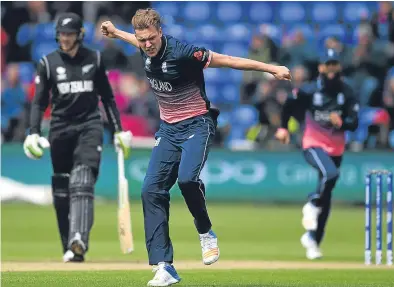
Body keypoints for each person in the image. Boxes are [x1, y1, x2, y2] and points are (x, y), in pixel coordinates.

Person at [101, 8, 291, 286]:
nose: (146, 44)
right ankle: (164, 267)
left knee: (187, 179)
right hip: (168, 130)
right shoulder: (144, 47)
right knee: (150, 190)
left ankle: (205, 231)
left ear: (160, 33)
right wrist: (117, 33)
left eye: (151, 38)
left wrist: (271, 69)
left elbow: (227, 60)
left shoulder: (183, 52)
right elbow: (136, 41)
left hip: (197, 124)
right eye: (142, 40)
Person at [23, 12, 133, 263]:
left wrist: (118, 130)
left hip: (89, 127)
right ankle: (69, 246)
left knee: (82, 180)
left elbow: (107, 97)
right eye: (62, 34)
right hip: (60, 130)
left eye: (69, 34)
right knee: (61, 190)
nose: (65, 38)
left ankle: (79, 239)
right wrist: (33, 133)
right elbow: (39, 103)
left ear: (79, 35)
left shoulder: (94, 58)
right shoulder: (48, 62)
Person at [275, 49, 359, 260]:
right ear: (321, 68)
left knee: (328, 197)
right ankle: (312, 202)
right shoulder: (310, 90)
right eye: (327, 65)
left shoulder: (347, 91)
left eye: (334, 65)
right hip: (313, 144)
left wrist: (343, 123)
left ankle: (313, 240)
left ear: (339, 67)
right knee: (331, 176)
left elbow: (355, 122)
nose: (331, 70)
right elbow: (289, 105)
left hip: (336, 148)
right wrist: (283, 127)